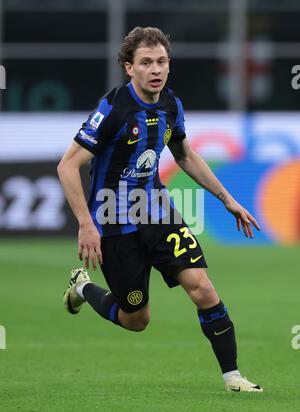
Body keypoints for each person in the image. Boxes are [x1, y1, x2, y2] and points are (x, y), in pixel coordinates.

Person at [57, 26, 263, 392]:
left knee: (201, 287)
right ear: (128, 67)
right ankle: (83, 286)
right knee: (136, 319)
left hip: (156, 210)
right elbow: (67, 166)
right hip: (112, 220)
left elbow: (184, 154)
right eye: (147, 62)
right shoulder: (114, 109)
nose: (156, 69)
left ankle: (233, 376)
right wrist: (86, 224)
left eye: (162, 61)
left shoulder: (171, 104)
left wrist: (227, 199)